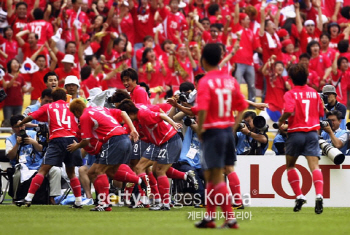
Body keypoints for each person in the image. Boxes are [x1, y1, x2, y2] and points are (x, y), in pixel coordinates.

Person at [193, 43, 248, 229]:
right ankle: (209, 217)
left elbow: (202, 108)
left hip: (212, 131)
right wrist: (233, 126)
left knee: (216, 177)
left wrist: (200, 129)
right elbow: (242, 106)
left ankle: (230, 218)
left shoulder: (205, 81)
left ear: (204, 60)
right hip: (226, 131)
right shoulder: (230, 80)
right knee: (211, 174)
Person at [15, 88, 83, 208]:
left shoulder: (49, 106)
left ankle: (28, 198)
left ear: (53, 98)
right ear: (65, 97)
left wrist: (21, 123)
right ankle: (78, 201)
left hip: (57, 139)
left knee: (43, 170)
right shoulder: (71, 106)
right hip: (72, 139)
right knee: (71, 172)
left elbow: (32, 117)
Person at [68, 99, 139, 211]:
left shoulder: (84, 117)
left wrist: (76, 146)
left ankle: (104, 203)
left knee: (99, 171)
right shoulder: (99, 108)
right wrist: (133, 129)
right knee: (95, 172)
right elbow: (123, 113)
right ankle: (138, 180)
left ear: (76, 112)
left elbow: (86, 140)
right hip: (125, 139)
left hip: (114, 141)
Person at [278, 64, 325, 214]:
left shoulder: (290, 94)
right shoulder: (315, 93)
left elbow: (289, 110)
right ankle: (319, 195)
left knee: (290, 166)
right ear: (306, 77)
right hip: (312, 133)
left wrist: (281, 121)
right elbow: (321, 112)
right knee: (315, 167)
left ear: (291, 79)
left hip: (295, 133)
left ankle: (299, 195)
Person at [6, 115, 61, 205]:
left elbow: (41, 149)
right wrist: (17, 144)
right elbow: (10, 156)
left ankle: (52, 197)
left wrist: (33, 142)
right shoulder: (10, 139)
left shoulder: (33, 134)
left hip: (39, 164)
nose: (20, 128)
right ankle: (15, 198)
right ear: (12, 128)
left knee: (56, 170)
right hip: (22, 166)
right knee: (17, 174)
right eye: (17, 127)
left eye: (22, 125)